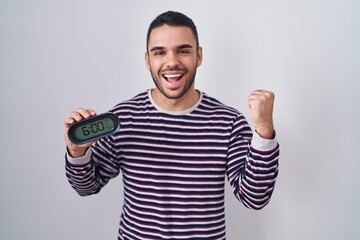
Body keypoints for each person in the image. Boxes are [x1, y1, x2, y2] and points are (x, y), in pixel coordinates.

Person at [64, 11, 279, 240]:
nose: (172, 62)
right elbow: (86, 187)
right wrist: (77, 152)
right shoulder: (123, 118)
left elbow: (254, 198)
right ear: (148, 60)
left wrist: (264, 130)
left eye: (183, 51)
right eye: (160, 52)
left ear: (199, 56)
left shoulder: (229, 122)